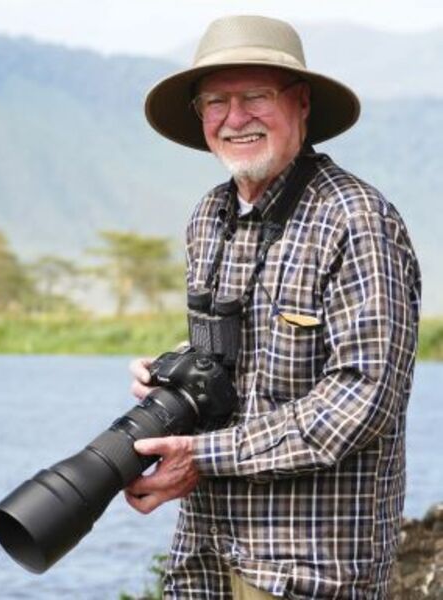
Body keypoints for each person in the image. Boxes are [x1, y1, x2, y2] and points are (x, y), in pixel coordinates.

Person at [126, 15, 421, 599]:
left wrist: (200, 456)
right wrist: (172, 370)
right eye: (216, 101)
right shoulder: (209, 218)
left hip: (307, 570)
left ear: (302, 103)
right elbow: (248, 359)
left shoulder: (356, 220)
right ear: (200, 116)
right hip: (205, 556)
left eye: (255, 96)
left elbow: (361, 402)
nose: (235, 119)